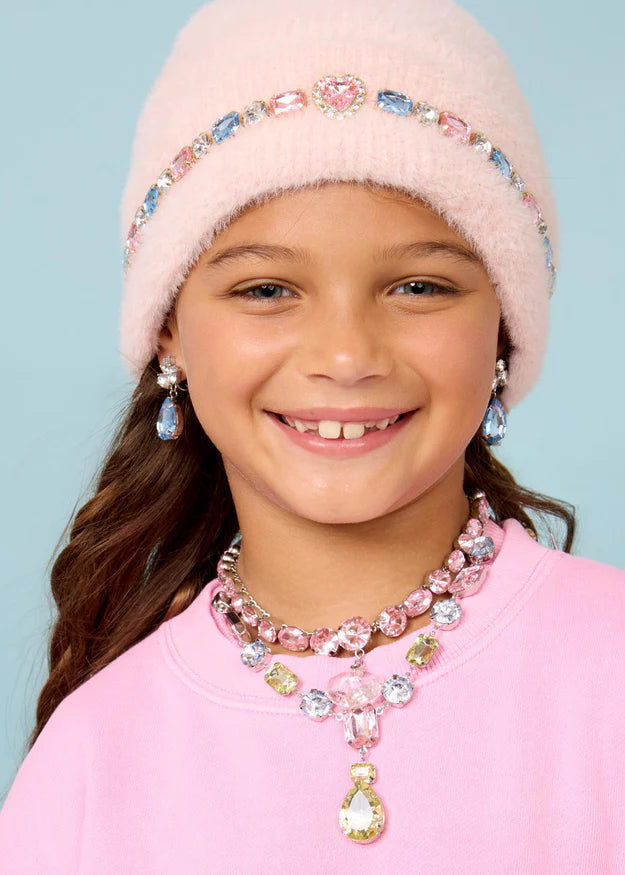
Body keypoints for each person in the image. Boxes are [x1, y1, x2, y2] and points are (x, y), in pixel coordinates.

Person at [1, 0, 623, 870]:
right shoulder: (93, 756)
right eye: (265, 290)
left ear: (505, 327)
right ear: (168, 332)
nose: (344, 356)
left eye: (418, 287)